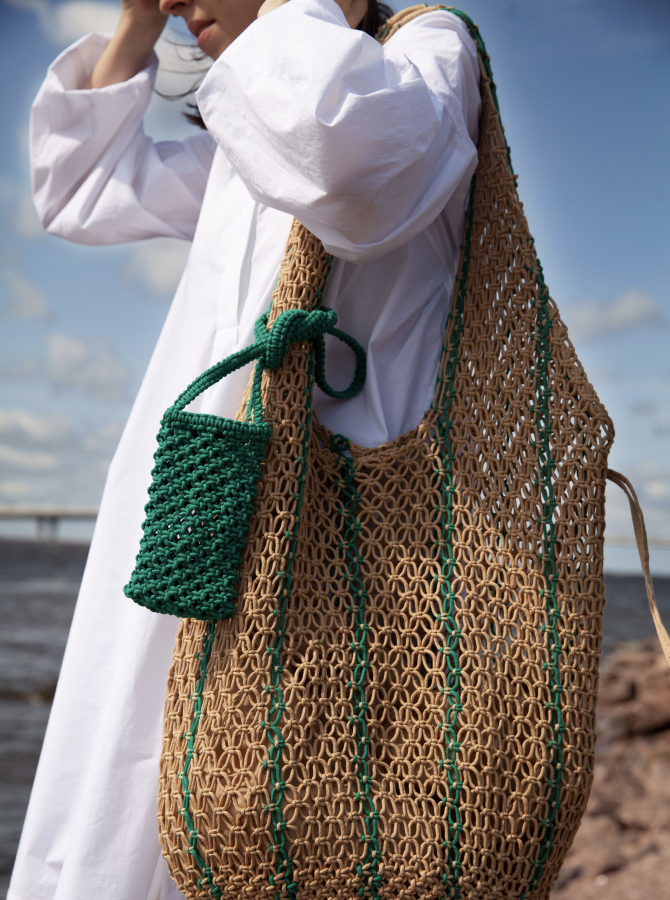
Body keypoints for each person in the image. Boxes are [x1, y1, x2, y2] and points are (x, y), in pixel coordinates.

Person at [9, 0, 481, 896]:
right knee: (130, 787)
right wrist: (134, 26)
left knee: (277, 832)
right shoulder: (251, 133)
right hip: (197, 532)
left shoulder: (420, 56)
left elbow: (351, 169)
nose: (174, 5)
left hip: (331, 566)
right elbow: (75, 188)